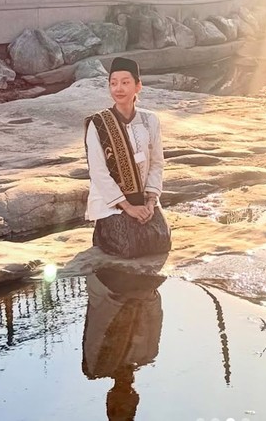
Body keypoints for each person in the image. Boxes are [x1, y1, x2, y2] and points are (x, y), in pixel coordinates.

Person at [85, 56, 171, 258]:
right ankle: (102, 232)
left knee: (161, 240)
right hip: (112, 204)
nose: (118, 89)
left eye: (125, 82)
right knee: (130, 246)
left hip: (143, 198)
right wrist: (128, 207)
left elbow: (157, 163)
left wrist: (150, 202)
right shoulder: (98, 124)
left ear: (138, 86)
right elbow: (98, 172)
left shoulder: (150, 120)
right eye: (113, 83)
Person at [82, 268, 165, 421]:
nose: (119, 404)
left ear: (108, 399)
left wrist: (124, 298)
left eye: (113, 409)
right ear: (135, 400)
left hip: (108, 288)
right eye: (124, 409)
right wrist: (148, 296)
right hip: (142, 288)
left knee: (124, 278)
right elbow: (156, 316)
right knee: (154, 275)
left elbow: (98, 323)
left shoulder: (96, 367)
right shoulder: (148, 354)